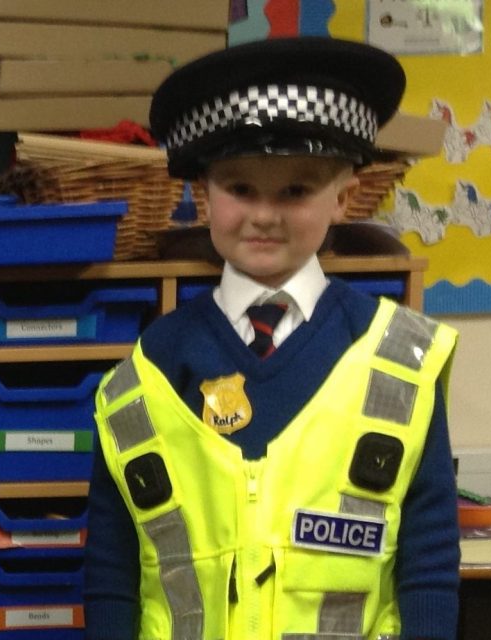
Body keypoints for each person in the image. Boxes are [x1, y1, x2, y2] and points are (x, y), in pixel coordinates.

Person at [84, 37, 461, 639]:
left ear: (343, 197)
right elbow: (111, 565)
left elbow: (430, 554)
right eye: (239, 187)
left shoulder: (398, 358)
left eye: (295, 190)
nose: (264, 214)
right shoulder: (156, 360)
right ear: (201, 195)